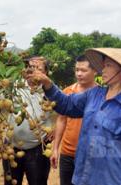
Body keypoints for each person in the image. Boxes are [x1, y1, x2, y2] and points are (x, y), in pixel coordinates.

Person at [27, 48, 121, 185]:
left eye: (108, 65)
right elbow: (66, 104)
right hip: (82, 178)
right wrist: (47, 83)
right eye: (104, 65)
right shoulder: (94, 95)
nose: (103, 69)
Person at [3, 56, 54, 185]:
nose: (32, 71)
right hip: (11, 147)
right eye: (30, 67)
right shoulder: (13, 86)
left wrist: (55, 128)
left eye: (38, 68)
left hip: (37, 149)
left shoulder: (51, 91)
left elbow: (62, 114)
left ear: (46, 72)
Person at [50, 55, 97, 185]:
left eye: (83, 70)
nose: (79, 74)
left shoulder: (100, 95)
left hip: (90, 155)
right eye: (77, 70)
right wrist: (55, 148)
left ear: (95, 71)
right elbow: (61, 120)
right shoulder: (67, 92)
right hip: (67, 153)